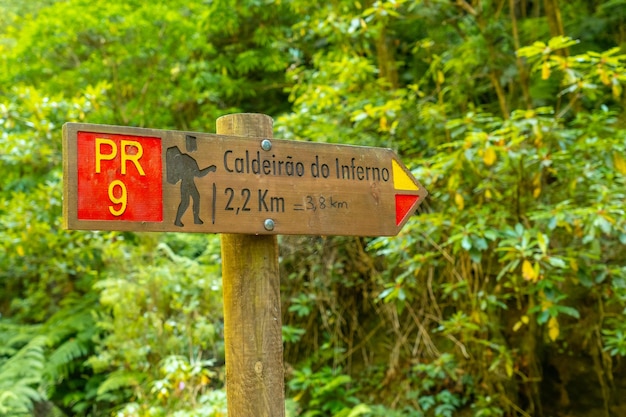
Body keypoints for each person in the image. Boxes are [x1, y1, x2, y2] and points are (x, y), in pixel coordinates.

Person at [165, 135, 216, 227]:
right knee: (186, 202)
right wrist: (210, 169)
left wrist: (210, 169)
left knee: (195, 199)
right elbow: (198, 174)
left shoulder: (190, 160)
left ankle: (195, 219)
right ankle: (178, 220)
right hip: (185, 184)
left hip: (190, 183)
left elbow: (199, 174)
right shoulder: (183, 161)